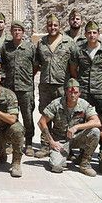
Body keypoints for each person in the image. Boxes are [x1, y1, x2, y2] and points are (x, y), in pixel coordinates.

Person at [34, 13, 80, 158]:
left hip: (63, 85)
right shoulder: (41, 43)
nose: (52, 27)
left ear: (59, 26)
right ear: (46, 26)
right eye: (49, 25)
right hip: (46, 85)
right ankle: (46, 145)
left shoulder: (69, 42)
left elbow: (73, 66)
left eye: (55, 25)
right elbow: (37, 64)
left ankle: (67, 146)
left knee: (64, 117)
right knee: (45, 114)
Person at [38, 78, 101, 176]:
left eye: (75, 92)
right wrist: (51, 142)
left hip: (76, 138)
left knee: (95, 131)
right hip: (60, 141)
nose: (72, 95)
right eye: (70, 92)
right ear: (66, 92)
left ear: (79, 93)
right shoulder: (57, 103)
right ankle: (62, 156)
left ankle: (85, 164)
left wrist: (77, 127)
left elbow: (97, 122)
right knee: (56, 167)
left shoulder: (83, 104)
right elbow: (41, 122)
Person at [0, 20, 38, 156]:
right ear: (11, 32)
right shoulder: (6, 47)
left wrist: (26, 77)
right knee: (10, 116)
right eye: (14, 30)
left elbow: (36, 66)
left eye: (19, 30)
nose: (17, 33)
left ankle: (28, 143)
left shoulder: (30, 47)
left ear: (23, 32)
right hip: (10, 88)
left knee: (27, 116)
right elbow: (2, 64)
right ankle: (11, 142)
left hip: (26, 88)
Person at [69, 20, 102, 111]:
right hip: (84, 92)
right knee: (82, 119)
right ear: (85, 34)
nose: (92, 35)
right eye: (89, 33)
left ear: (98, 34)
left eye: (94, 32)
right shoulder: (78, 50)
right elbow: (73, 69)